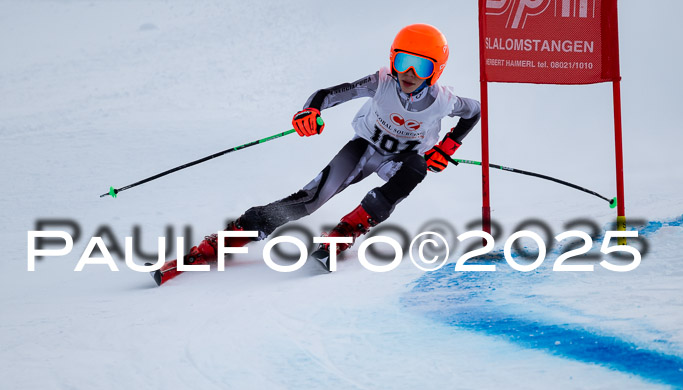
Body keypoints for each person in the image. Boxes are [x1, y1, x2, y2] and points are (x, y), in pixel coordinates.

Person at [152, 23, 481, 285]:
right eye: (402, 61)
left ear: (436, 71)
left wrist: (448, 145)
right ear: (392, 58)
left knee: (416, 167)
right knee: (309, 199)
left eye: (421, 66)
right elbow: (330, 94)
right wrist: (311, 111)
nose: (408, 73)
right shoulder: (382, 81)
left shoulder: (444, 100)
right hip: (364, 148)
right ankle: (222, 242)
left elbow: (474, 111)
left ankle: (347, 231)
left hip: (399, 161)